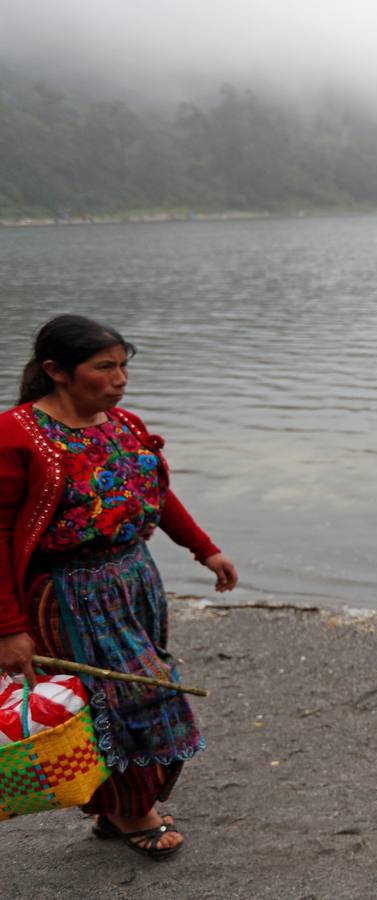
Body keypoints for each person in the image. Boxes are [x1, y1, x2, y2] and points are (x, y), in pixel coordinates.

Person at [0, 314, 238, 859]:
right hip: (67, 593)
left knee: (120, 696)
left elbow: (158, 490)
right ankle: (134, 812)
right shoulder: (15, 435)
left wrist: (205, 549)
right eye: (104, 367)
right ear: (56, 371)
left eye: (124, 365)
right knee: (138, 694)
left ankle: (117, 807)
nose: (120, 378)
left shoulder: (123, 424)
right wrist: (9, 629)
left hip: (134, 579)